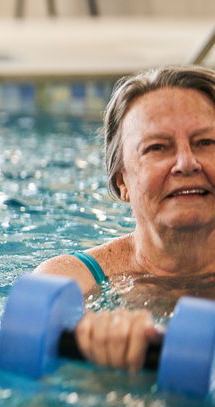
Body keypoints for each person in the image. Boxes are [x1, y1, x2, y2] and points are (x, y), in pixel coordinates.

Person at [34, 65, 215, 372]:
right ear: (122, 182)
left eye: (206, 143)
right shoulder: (71, 282)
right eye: (157, 147)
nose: (186, 163)